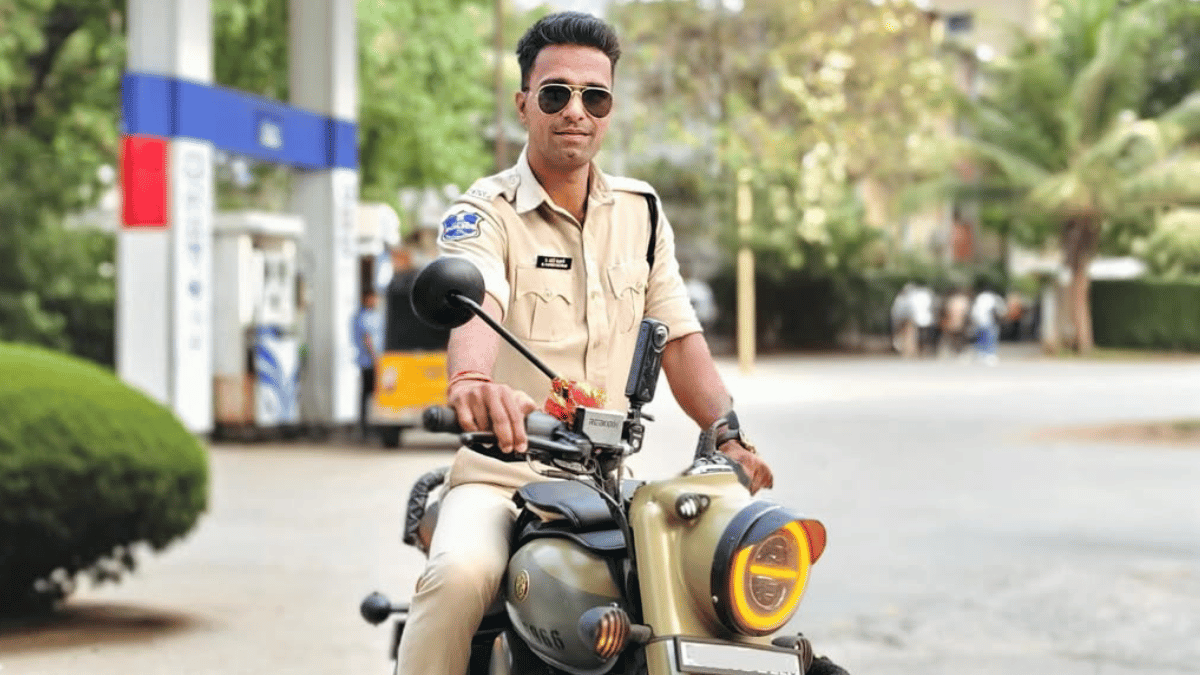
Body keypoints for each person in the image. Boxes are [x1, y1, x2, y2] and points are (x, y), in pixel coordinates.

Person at [395, 12, 773, 675]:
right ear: (523, 104)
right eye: (556, 94)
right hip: (503, 478)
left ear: (610, 110)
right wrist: (473, 384)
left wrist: (728, 431)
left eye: (594, 96)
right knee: (457, 577)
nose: (576, 110)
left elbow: (679, 336)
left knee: (723, 593)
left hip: (609, 485)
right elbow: (476, 298)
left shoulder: (642, 212)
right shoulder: (486, 212)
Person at [351, 288, 383, 439]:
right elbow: (367, 339)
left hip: (376, 360)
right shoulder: (363, 317)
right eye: (372, 298)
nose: (375, 301)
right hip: (369, 362)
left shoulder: (376, 315)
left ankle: (373, 425)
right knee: (368, 393)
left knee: (374, 394)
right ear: (366, 299)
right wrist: (375, 359)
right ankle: (365, 427)